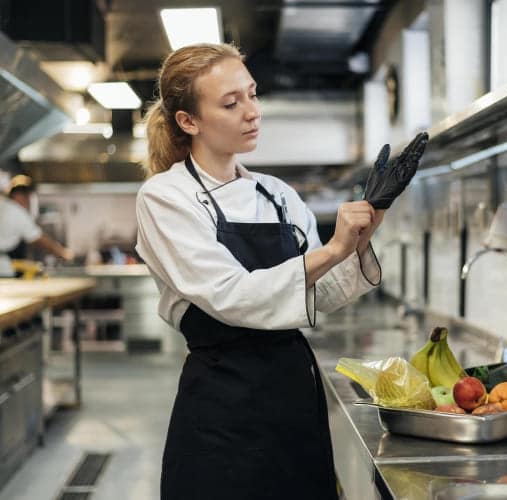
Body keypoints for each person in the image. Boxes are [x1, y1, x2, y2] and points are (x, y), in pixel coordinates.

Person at [135, 43, 426, 499]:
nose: (252, 112)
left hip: (292, 394)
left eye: (252, 95)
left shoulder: (276, 194)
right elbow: (230, 295)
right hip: (221, 405)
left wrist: (363, 233)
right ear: (188, 122)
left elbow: (322, 294)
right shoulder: (165, 198)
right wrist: (332, 249)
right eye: (231, 103)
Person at [0, 174, 73, 277]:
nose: (28, 202)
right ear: (19, 195)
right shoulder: (16, 211)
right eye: (28, 197)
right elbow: (39, 239)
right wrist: (63, 253)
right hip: (3, 271)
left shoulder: (4, 206)